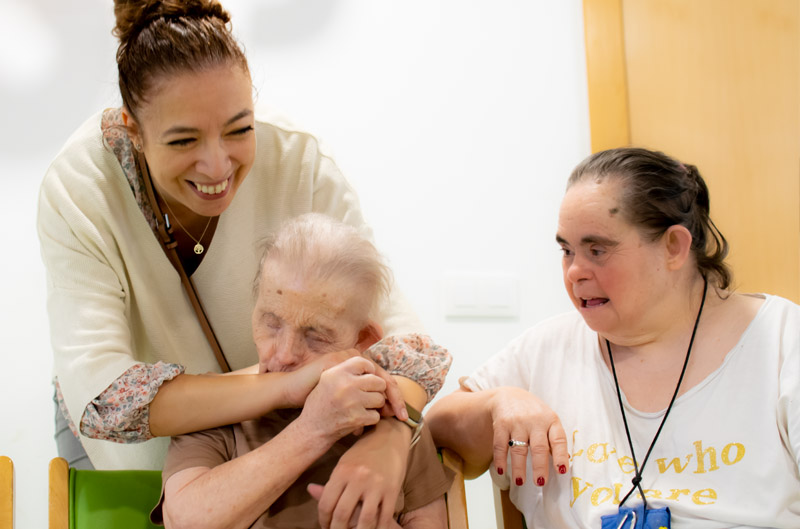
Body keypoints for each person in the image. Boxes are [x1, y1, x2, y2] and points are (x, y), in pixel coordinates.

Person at [37, 0, 450, 521]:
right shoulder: (79, 188)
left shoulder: (298, 160)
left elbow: (404, 347)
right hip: (146, 432)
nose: (217, 164)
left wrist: (394, 432)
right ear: (133, 130)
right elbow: (107, 400)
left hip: (278, 424)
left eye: (239, 129)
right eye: (184, 139)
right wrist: (287, 384)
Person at [427, 147, 800, 528]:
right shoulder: (548, 348)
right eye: (567, 250)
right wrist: (498, 401)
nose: (574, 271)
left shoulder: (783, 340)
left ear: (674, 246)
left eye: (597, 250)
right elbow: (435, 428)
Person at [151, 213, 452, 529]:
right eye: (271, 323)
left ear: (363, 340)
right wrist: (314, 429)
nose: (284, 354)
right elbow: (184, 521)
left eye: (316, 336)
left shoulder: (395, 417)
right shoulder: (214, 406)